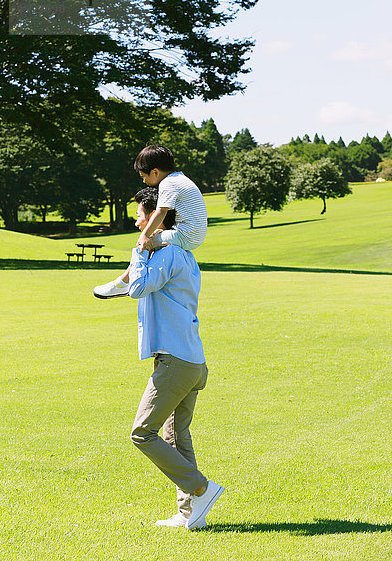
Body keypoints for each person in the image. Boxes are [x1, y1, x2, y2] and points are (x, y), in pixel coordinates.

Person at [125, 187, 224, 529]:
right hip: (191, 360)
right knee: (176, 437)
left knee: (142, 432)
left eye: (140, 214)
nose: (137, 220)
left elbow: (137, 288)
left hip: (176, 360)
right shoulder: (183, 254)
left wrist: (139, 253)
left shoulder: (166, 253)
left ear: (156, 219)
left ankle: (201, 488)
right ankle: (191, 512)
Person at [93, 144, 208, 299]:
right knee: (154, 237)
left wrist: (144, 236)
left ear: (155, 172)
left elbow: (161, 212)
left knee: (145, 244)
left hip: (185, 235)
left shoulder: (169, 183)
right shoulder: (181, 179)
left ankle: (122, 283)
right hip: (192, 235)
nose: (144, 181)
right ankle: (123, 281)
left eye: (143, 176)